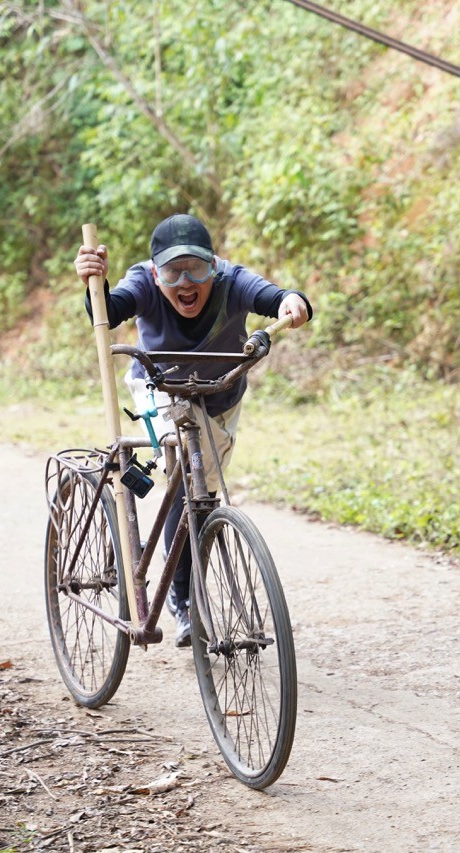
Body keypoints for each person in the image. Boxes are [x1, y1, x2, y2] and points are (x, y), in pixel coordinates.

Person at [75, 213, 311, 646]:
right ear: (154, 273)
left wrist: (291, 303)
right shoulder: (142, 283)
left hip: (220, 396)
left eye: (196, 268)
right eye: (172, 271)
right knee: (186, 483)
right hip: (160, 387)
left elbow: (276, 297)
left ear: (214, 267)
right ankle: (182, 602)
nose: (186, 281)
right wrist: (94, 281)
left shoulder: (232, 281)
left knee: (200, 496)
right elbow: (107, 310)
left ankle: (184, 567)